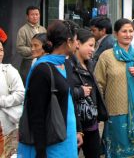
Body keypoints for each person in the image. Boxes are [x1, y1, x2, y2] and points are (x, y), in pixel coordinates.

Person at [18, 20, 83, 158]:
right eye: (76, 40)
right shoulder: (42, 70)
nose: (78, 45)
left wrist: (78, 130)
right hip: (51, 144)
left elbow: (69, 100)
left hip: (67, 137)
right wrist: (41, 153)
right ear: (69, 41)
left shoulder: (66, 63)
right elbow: (37, 114)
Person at [95, 18, 134, 158]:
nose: (128, 34)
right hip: (116, 113)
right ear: (116, 34)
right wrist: (99, 110)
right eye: (124, 31)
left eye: (130, 31)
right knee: (117, 152)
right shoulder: (106, 57)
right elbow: (98, 85)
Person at [69, 29, 108, 158]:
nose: (93, 50)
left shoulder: (90, 64)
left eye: (94, 46)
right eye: (90, 45)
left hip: (91, 121)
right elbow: (64, 94)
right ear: (78, 44)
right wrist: (79, 91)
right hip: (76, 124)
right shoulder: (68, 66)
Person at [0, 41, 25, 157]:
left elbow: (20, 94)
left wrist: (2, 101)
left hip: (6, 127)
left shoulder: (9, 71)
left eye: (1, 50)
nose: (0, 53)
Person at [16, 6, 47, 83]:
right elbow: (20, 47)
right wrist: (34, 51)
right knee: (28, 83)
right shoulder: (23, 30)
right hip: (28, 63)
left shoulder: (43, 29)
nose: (35, 17)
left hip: (43, 61)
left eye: (37, 14)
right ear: (27, 16)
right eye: (32, 14)